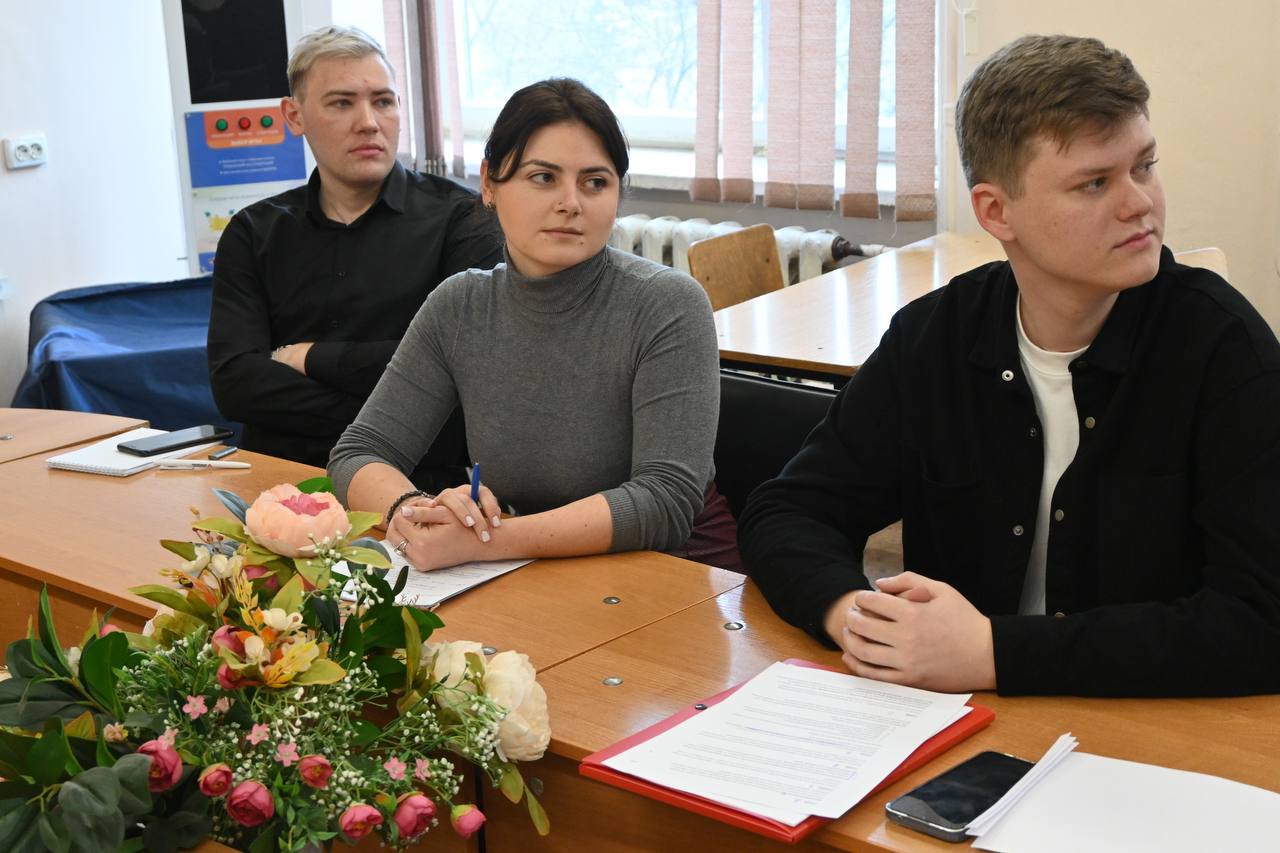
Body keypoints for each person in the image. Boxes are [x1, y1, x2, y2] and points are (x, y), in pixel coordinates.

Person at [739, 35, 1280, 697]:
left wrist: (994, 652)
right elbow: (788, 511)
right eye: (1095, 183)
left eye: (1144, 167)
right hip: (957, 719)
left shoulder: (1223, 349)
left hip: (1142, 726)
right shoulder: (935, 337)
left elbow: (1261, 618)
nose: (1139, 202)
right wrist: (857, 617)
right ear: (997, 211)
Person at [328, 78, 740, 572]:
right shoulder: (460, 305)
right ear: (489, 184)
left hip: (673, 569)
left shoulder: (667, 304)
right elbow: (359, 451)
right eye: (543, 177)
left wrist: (486, 542)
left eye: (595, 182)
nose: (571, 203)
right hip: (526, 565)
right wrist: (409, 510)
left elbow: (665, 500)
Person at [207, 26, 502, 489]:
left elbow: (462, 372)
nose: (368, 122)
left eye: (383, 101)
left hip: (415, 489)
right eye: (342, 103)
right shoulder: (253, 232)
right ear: (294, 115)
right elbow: (235, 385)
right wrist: (399, 414)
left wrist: (311, 358)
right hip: (275, 484)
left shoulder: (464, 220)